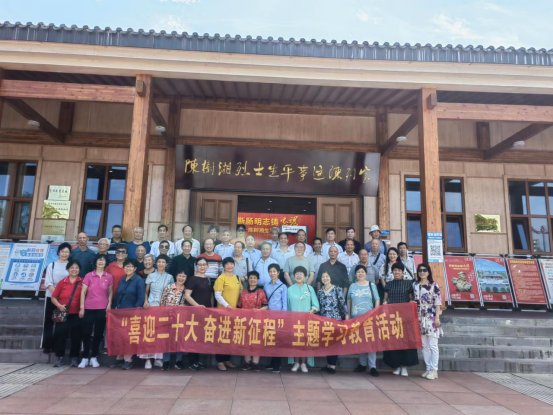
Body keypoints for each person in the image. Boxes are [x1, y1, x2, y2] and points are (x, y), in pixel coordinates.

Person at [383, 262, 418, 376]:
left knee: (405, 342)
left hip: (405, 318)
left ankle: (404, 367)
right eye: (395, 270)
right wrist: (384, 303)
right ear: (392, 272)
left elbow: (411, 299)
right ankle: (396, 366)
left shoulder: (408, 284)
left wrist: (411, 303)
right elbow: (386, 299)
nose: (397, 272)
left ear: (403, 272)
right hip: (392, 318)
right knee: (394, 342)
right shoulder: (388, 284)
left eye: (399, 270)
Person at [78, 254, 113, 368]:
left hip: (102, 308)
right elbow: (83, 292)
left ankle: (94, 357)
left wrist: (109, 304)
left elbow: (110, 292)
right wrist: (82, 307)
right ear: (96, 262)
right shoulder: (89, 275)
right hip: (89, 308)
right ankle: (84, 357)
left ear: (106, 263)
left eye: (103, 260)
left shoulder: (109, 276)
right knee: (86, 333)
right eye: (99, 260)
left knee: (98, 334)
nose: (101, 262)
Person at [111, 259, 145, 370]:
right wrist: (114, 307)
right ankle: (120, 357)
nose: (128, 268)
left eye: (130, 266)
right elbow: (118, 295)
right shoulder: (122, 280)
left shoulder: (138, 280)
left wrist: (137, 311)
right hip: (120, 311)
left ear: (135, 269)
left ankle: (128, 359)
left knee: (129, 336)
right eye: (126, 266)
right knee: (120, 335)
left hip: (132, 312)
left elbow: (141, 297)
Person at [348, 265, 380, 377]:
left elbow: (377, 300)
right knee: (360, 341)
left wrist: (375, 313)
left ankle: (372, 366)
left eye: (362, 272)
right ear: (355, 275)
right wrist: (348, 315)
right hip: (356, 319)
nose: (360, 274)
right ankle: (362, 364)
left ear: (366, 274)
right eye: (358, 272)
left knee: (370, 342)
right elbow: (349, 301)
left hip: (369, 319)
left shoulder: (371, 285)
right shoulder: (352, 286)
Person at [142, 254, 174, 368]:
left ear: (166, 264)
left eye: (163, 262)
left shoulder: (170, 277)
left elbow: (171, 293)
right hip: (151, 306)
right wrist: (145, 301)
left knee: (161, 334)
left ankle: (158, 358)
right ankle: (148, 359)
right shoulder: (151, 276)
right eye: (159, 262)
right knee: (150, 332)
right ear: (156, 263)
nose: (161, 264)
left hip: (164, 308)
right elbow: (146, 291)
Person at [51, 259, 83, 367]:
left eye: (76, 268)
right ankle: (60, 358)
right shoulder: (62, 282)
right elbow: (53, 297)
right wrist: (59, 306)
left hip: (77, 314)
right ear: (68, 269)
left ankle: (74, 358)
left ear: (79, 270)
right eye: (72, 268)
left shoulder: (83, 281)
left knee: (76, 336)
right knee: (60, 335)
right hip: (63, 314)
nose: (74, 269)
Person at [414, 263, 443, 380]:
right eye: (420, 270)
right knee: (424, 345)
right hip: (419, 317)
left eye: (424, 270)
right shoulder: (415, 285)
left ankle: (434, 370)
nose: (422, 272)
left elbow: (438, 302)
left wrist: (437, 318)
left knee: (433, 344)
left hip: (430, 316)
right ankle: (428, 368)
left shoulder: (433, 285)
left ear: (428, 272)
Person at [288, 266, 319, 372]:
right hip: (293, 320)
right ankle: (296, 362)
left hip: (307, 320)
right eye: (296, 274)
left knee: (305, 341)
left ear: (305, 276)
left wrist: (311, 311)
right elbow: (287, 306)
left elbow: (316, 305)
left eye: (301, 274)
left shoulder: (310, 289)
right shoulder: (290, 289)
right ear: (293, 276)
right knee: (295, 341)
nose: (298, 276)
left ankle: (303, 363)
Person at [185, 257, 214, 370]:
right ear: (196, 266)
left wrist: (211, 309)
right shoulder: (193, 279)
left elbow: (210, 296)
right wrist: (197, 306)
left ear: (207, 266)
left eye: (204, 265)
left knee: (201, 336)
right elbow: (187, 295)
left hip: (206, 312)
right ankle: (192, 361)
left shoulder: (207, 279)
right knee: (193, 336)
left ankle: (197, 360)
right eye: (200, 265)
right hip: (195, 312)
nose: (202, 267)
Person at [42, 242, 71, 354]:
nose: (64, 254)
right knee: (49, 321)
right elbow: (48, 282)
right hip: (51, 297)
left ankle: (57, 346)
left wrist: (62, 296)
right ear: (58, 253)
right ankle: (47, 345)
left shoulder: (71, 266)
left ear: (69, 253)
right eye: (62, 251)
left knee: (61, 322)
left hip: (64, 299)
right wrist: (57, 294)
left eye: (66, 252)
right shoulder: (52, 265)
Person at [213, 257, 242, 370]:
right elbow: (217, 295)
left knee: (230, 336)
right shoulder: (221, 278)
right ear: (224, 266)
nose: (230, 266)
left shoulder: (237, 278)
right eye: (227, 264)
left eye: (231, 264)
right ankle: (220, 361)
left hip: (234, 313)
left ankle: (226, 359)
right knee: (221, 336)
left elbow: (240, 293)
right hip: (223, 312)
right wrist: (227, 305)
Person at [317, 271, 348, 374]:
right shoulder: (320, 292)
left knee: (334, 342)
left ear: (330, 278)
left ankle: (333, 366)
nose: (325, 278)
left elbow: (342, 303)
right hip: (324, 321)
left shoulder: (337, 289)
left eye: (327, 276)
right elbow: (319, 306)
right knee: (327, 342)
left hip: (335, 320)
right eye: (323, 277)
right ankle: (329, 364)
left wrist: (347, 315)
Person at [238, 271, 268, 372]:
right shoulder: (243, 293)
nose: (252, 280)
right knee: (246, 341)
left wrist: (258, 310)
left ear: (258, 280)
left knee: (256, 341)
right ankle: (247, 362)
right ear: (248, 280)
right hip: (245, 321)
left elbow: (266, 306)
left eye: (255, 278)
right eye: (251, 278)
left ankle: (255, 363)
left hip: (257, 320)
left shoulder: (261, 292)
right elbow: (239, 306)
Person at [160, 270, 188, 371]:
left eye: (183, 276)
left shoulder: (186, 290)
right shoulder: (168, 287)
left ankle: (178, 360)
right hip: (167, 317)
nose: (181, 278)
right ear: (176, 276)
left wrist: (184, 306)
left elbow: (189, 304)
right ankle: (166, 361)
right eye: (179, 276)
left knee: (180, 339)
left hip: (180, 318)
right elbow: (162, 301)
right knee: (166, 339)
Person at [263, 263, 287, 373]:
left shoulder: (283, 286)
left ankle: (277, 364)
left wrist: (284, 318)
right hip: (268, 316)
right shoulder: (266, 285)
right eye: (270, 271)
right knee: (270, 339)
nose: (272, 273)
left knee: (278, 340)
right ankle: (272, 362)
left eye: (274, 271)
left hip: (278, 317)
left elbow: (284, 303)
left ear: (278, 273)